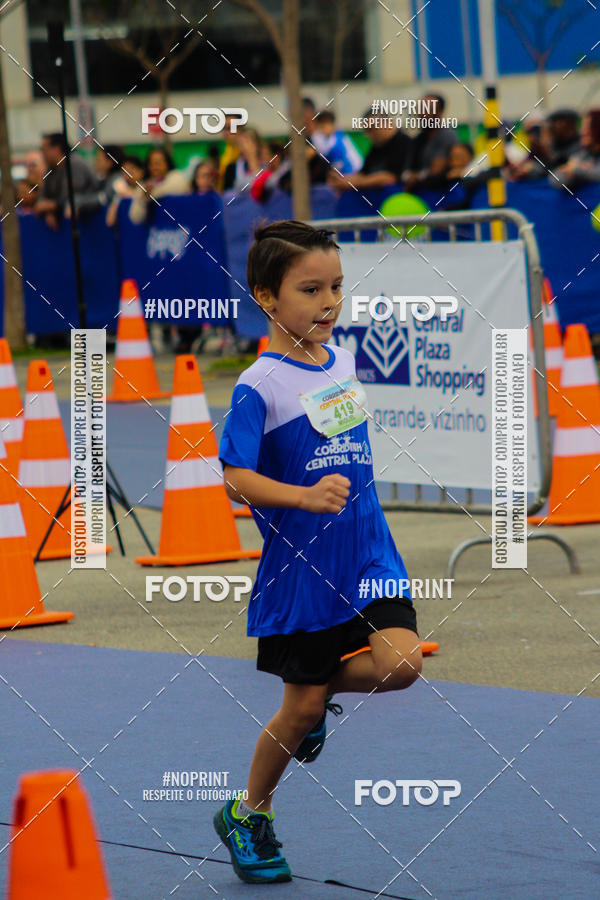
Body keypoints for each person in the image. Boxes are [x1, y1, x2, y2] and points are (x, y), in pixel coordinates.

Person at [213, 220, 421, 884]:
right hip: (303, 574)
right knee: (298, 711)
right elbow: (234, 476)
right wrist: (302, 497)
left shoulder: (341, 359)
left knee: (403, 665)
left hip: (367, 556)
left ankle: (315, 704)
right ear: (267, 297)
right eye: (310, 289)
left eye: (336, 286)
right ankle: (249, 811)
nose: (329, 302)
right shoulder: (259, 385)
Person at [328, 114, 411, 191]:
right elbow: (363, 173)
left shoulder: (403, 143)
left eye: (371, 129)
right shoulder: (377, 145)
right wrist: (343, 179)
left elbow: (390, 177)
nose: (368, 135)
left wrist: (352, 183)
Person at [34, 132, 100, 229]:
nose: (42, 153)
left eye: (44, 149)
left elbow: (71, 198)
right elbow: (42, 197)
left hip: (89, 223)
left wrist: (51, 207)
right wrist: (48, 211)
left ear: (56, 149)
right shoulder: (51, 168)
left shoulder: (74, 164)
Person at [402, 94, 458, 191]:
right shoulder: (419, 139)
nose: (421, 113)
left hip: (441, 192)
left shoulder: (447, 135)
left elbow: (436, 170)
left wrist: (416, 177)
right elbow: (407, 170)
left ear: (439, 112)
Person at [128, 147, 190, 224]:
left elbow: (181, 187)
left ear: (167, 163)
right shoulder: (143, 186)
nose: (155, 166)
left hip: (178, 230)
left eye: (159, 162)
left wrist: (150, 194)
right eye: (152, 163)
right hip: (156, 232)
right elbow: (135, 218)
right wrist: (143, 200)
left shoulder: (176, 177)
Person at [551, 109, 600, 187]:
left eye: (588, 127)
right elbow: (555, 179)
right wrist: (574, 171)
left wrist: (576, 170)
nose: (582, 132)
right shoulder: (581, 155)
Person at [311, 109, 363, 175]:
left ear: (332, 125)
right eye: (321, 126)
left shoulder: (338, 137)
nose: (322, 129)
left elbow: (325, 151)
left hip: (353, 170)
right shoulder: (325, 137)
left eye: (324, 126)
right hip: (344, 172)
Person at [105, 155, 145, 226]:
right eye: (125, 171)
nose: (128, 174)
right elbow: (110, 221)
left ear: (141, 171)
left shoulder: (147, 189)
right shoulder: (121, 193)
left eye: (131, 170)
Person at [223, 127, 264, 192]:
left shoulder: (267, 165)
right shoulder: (231, 168)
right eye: (241, 143)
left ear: (257, 144)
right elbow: (227, 195)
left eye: (247, 142)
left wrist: (252, 160)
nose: (244, 146)